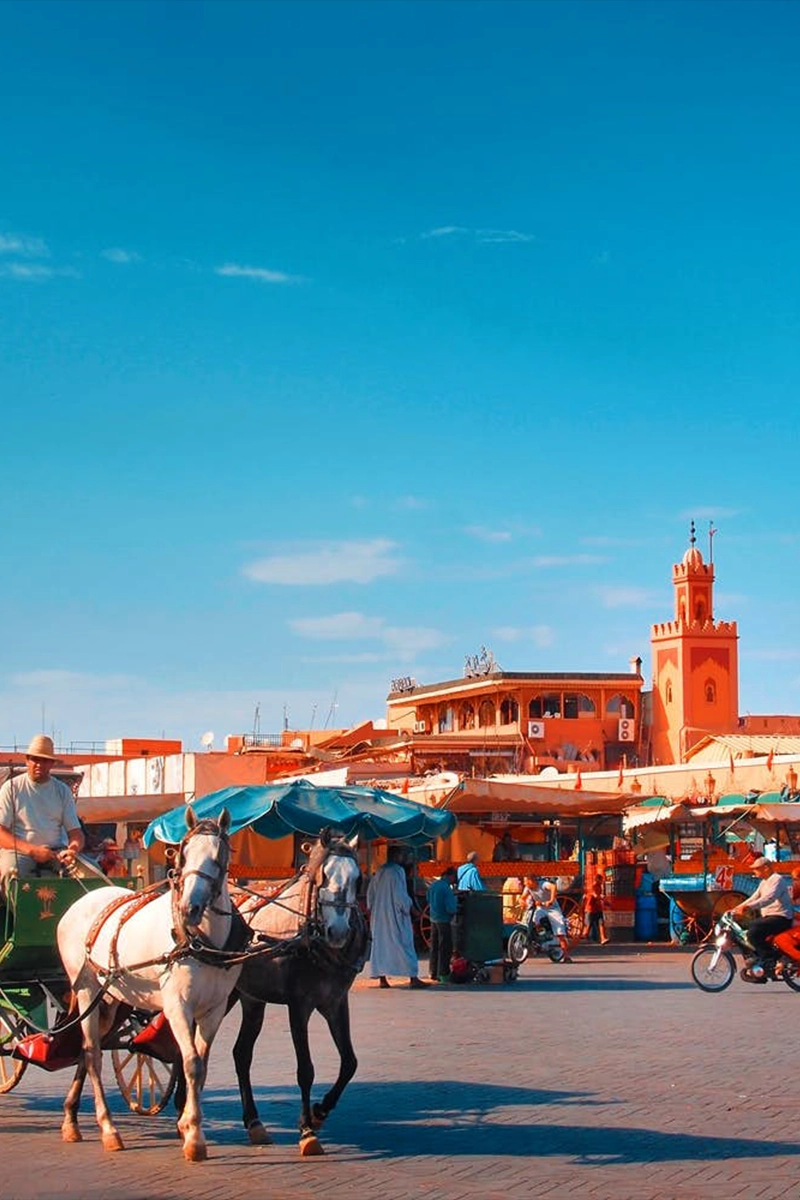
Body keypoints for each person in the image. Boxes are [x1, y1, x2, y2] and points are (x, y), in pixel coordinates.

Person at [0, 735, 85, 897]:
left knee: (90, 873)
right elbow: (1, 832)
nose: (39, 764)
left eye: (44, 760)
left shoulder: (62, 791)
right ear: (27, 760)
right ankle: (19, 918)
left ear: (51, 763)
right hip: (19, 851)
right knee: (11, 874)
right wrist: (32, 850)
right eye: (35, 759)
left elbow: (76, 833)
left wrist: (72, 850)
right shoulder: (11, 788)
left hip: (56, 851)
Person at [366, 845, 429, 989]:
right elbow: (400, 895)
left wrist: (372, 910)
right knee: (405, 942)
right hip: (395, 915)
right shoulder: (397, 871)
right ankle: (413, 977)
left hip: (379, 915)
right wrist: (411, 909)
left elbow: (371, 893)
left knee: (381, 945)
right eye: (402, 855)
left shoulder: (380, 871)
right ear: (396, 856)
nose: (404, 858)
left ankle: (382, 979)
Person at [730, 856, 793, 964]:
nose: (754, 871)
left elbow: (769, 898)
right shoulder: (764, 882)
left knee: (753, 929)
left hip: (780, 918)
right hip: (769, 917)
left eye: (757, 868)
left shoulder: (777, 880)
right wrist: (736, 908)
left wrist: (749, 907)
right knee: (742, 930)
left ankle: (770, 958)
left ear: (766, 868)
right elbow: (754, 897)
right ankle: (756, 956)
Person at [530, 876, 573, 962]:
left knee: (560, 931)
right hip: (540, 908)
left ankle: (566, 956)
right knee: (533, 920)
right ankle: (541, 935)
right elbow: (523, 897)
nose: (525, 883)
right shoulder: (528, 888)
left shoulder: (543, 884)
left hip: (552, 909)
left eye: (527, 881)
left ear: (532, 881)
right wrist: (522, 900)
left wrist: (551, 900)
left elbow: (553, 887)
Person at [427, 865, 458, 981]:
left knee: (434, 946)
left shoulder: (433, 885)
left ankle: (433, 972)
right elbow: (450, 907)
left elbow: (428, 899)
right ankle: (443, 973)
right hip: (444, 920)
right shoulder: (446, 888)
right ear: (450, 876)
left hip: (433, 918)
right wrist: (455, 910)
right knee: (445, 947)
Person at [584, 876, 609, 944]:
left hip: (598, 908)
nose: (602, 882)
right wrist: (603, 899)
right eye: (601, 880)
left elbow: (599, 896)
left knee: (601, 923)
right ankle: (584, 936)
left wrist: (604, 901)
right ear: (597, 880)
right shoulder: (592, 887)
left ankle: (603, 938)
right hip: (591, 909)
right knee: (589, 925)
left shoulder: (599, 887)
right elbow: (595, 896)